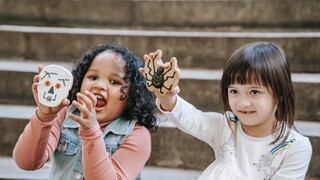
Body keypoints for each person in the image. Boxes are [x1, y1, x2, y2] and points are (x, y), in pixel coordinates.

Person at [141, 42, 312, 180]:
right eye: (234, 91)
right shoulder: (227, 126)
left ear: (280, 94)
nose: (243, 103)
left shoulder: (295, 147)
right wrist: (166, 97)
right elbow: (194, 119)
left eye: (254, 92)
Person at [13, 43, 157, 180]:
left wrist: (91, 133)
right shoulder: (65, 114)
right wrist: (44, 117)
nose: (99, 85)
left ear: (133, 94)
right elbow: (26, 162)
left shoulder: (138, 135)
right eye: (93, 77)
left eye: (114, 82)